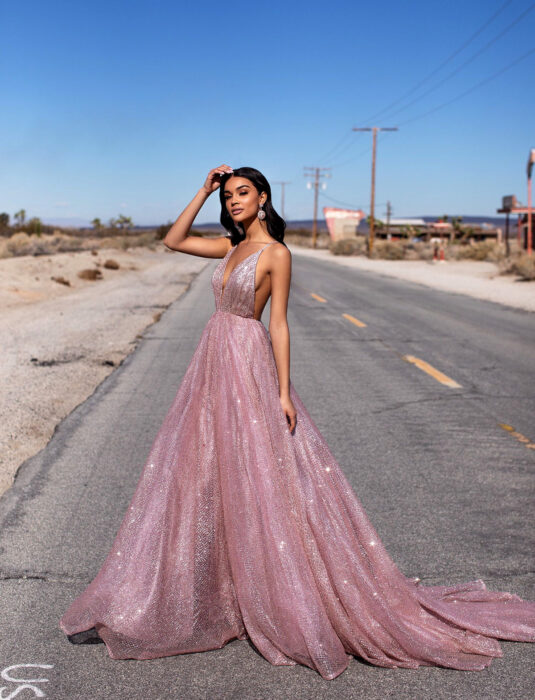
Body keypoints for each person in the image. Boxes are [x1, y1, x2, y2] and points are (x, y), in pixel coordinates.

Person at [59, 165, 535, 681]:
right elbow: (173, 240)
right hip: (211, 362)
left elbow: (279, 323)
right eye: (229, 196)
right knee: (206, 471)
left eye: (243, 193)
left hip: (245, 360)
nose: (235, 201)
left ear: (263, 198)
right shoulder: (229, 247)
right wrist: (202, 188)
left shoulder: (276, 254)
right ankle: (224, 587)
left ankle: (277, 590)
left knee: (260, 472)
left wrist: (283, 392)